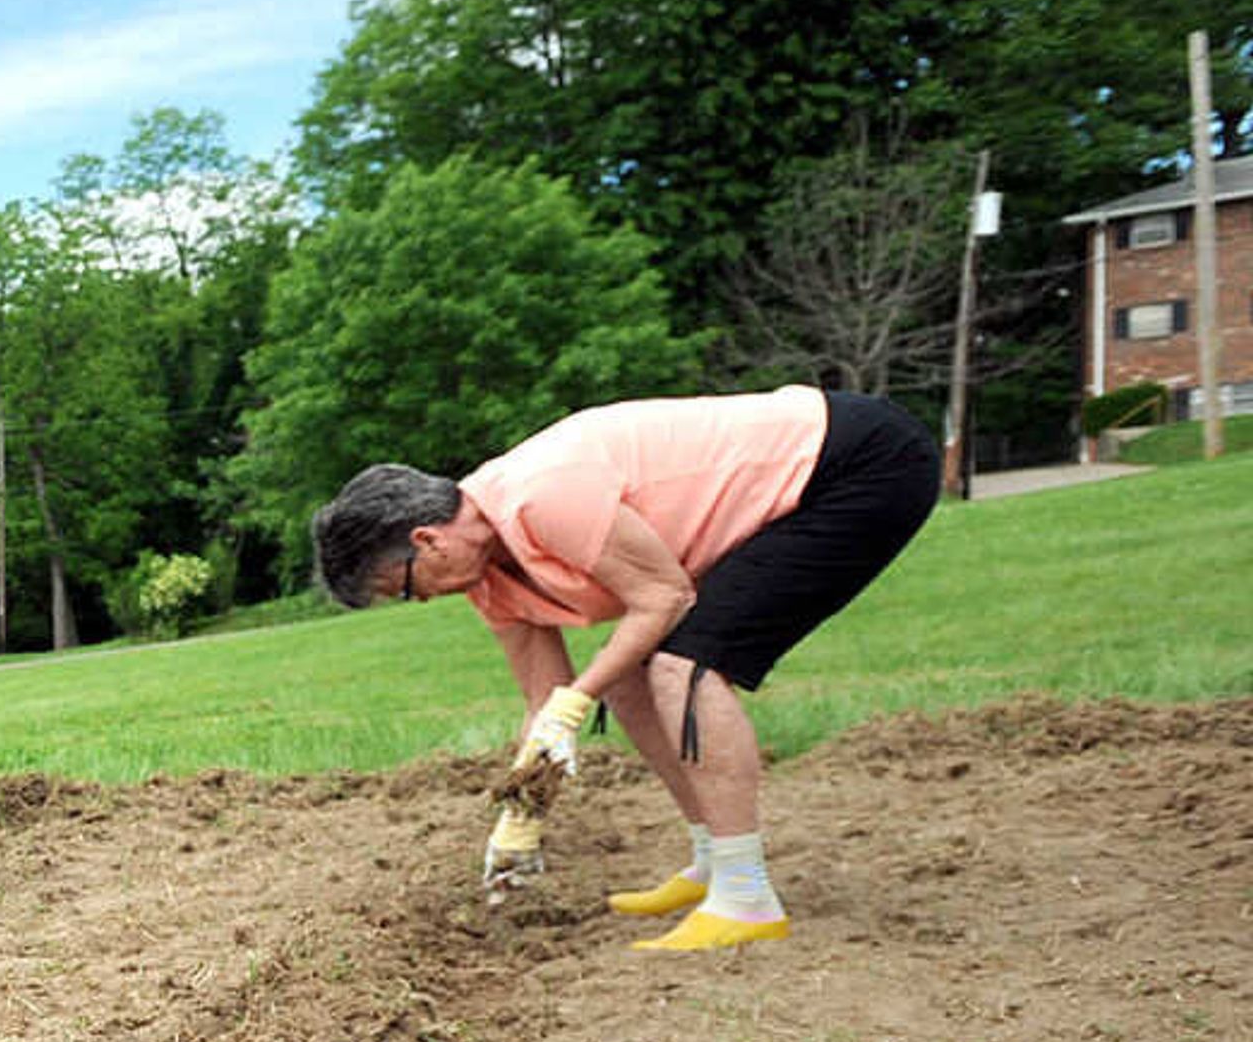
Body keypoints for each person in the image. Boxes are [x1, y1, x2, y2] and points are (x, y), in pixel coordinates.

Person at [309, 385, 940, 951]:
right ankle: (711, 861)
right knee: (633, 680)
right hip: (821, 477)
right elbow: (544, 702)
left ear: (427, 540)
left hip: (856, 465)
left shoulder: (542, 495)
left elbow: (664, 599)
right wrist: (517, 822)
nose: (419, 600)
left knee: (682, 668)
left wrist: (575, 700)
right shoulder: (487, 583)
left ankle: (746, 896)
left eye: (405, 587)